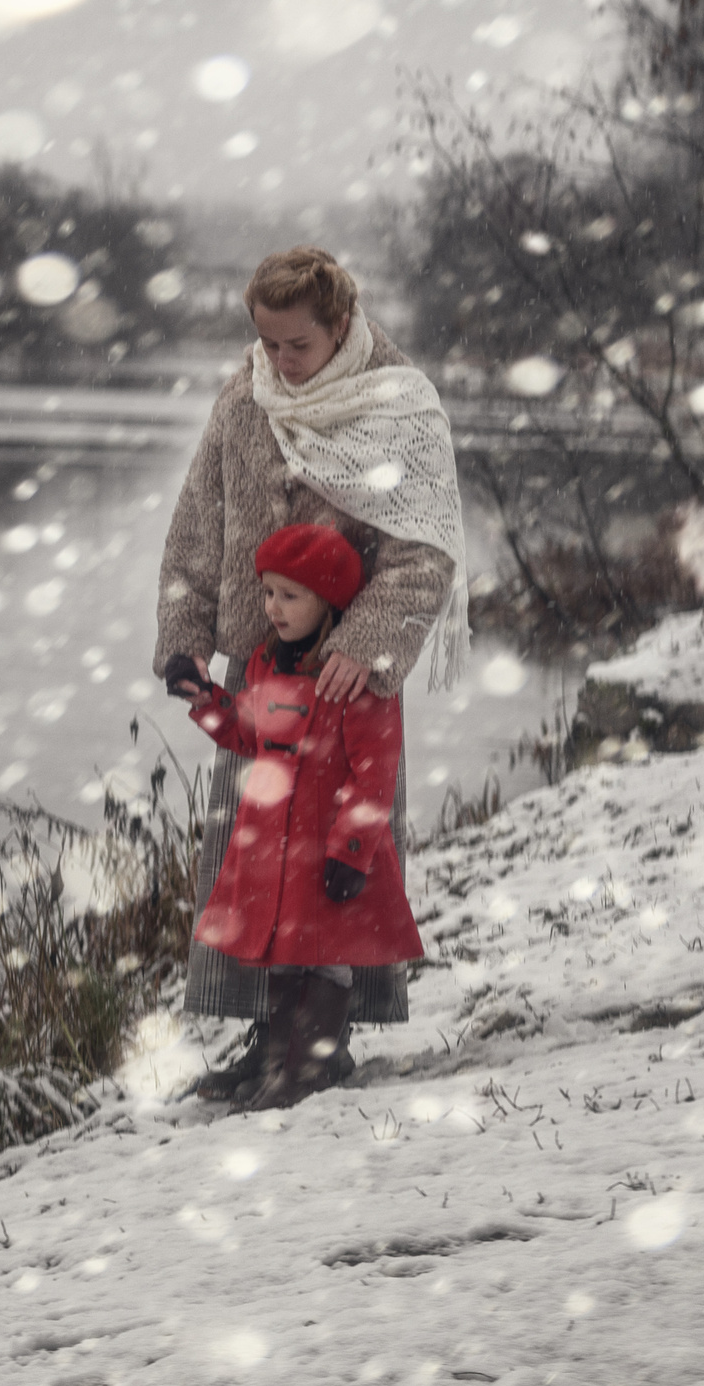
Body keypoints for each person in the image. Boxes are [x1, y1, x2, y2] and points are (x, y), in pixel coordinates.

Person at [154, 246, 467, 1105]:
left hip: (344, 686)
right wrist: (183, 634)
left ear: (340, 327)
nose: (278, 363)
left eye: (297, 345)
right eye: (266, 342)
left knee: (337, 866)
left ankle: (318, 1047)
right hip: (259, 674)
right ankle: (270, 1039)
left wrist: (360, 645)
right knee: (254, 870)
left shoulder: (399, 405)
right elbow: (197, 524)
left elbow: (424, 551)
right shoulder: (244, 397)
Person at [172, 525, 426, 1110]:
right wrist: (204, 700)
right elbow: (246, 735)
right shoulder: (265, 662)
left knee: (326, 960)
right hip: (272, 846)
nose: (273, 608)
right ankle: (277, 1059)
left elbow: (374, 774)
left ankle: (310, 1069)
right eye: (268, 593)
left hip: (327, 846)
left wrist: (352, 851)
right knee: (284, 955)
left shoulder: (358, 683)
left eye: (290, 596)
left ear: (328, 601)